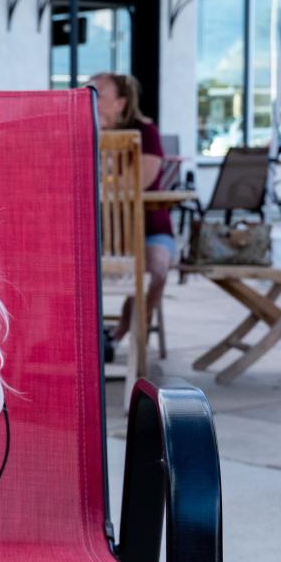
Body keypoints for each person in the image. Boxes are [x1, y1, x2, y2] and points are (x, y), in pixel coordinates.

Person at [89, 72, 173, 355]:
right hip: (97, 232)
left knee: (157, 269)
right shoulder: (79, 131)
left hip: (150, 228)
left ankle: (123, 336)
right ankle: (85, 336)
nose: (89, 98)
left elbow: (139, 181)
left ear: (120, 103)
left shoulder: (144, 133)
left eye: (97, 94)